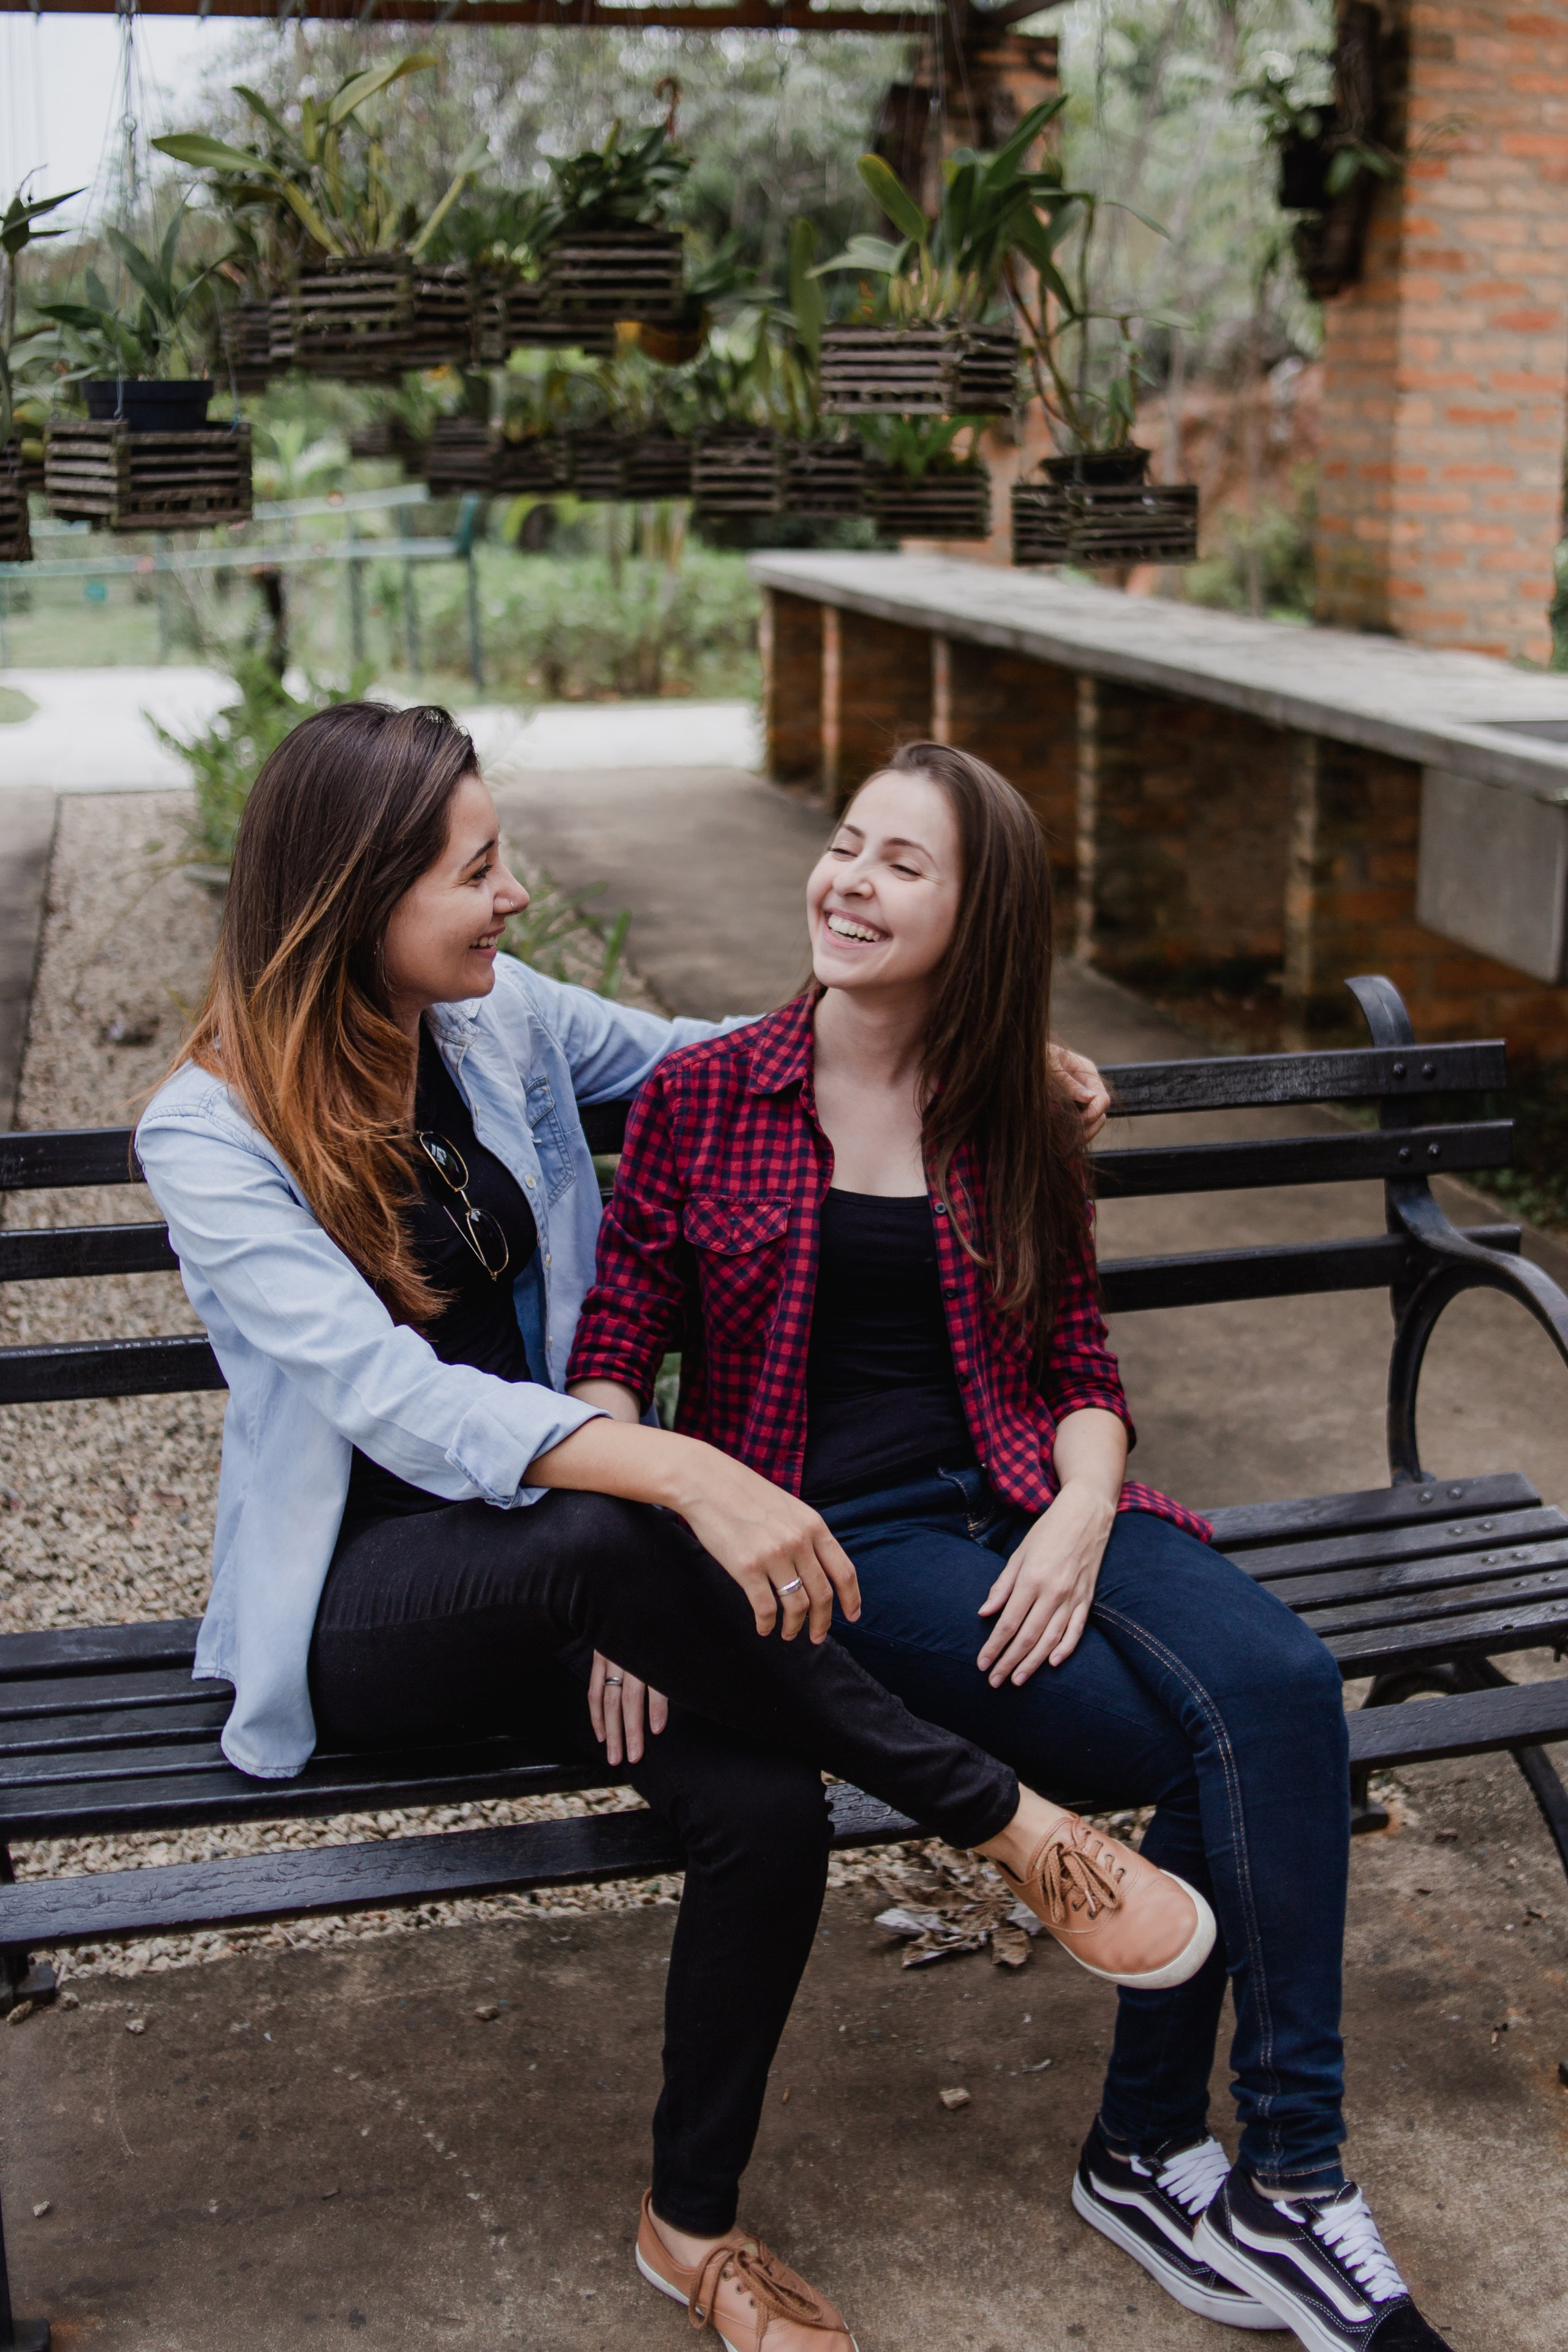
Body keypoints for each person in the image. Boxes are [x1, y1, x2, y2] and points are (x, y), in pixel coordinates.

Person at [135, 702, 1215, 2352]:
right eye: (478, 872)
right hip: (379, 1602)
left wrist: (962, 1059)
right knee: (617, 1529)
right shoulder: (208, 1130)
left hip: (596, 1576)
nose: (513, 900)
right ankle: (1005, 1823)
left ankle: (689, 2228)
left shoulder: (495, 1024)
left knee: (765, 1806)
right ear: (358, 897)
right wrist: (687, 1479)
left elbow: (728, 1060)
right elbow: (394, 1402)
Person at [567, 741, 1457, 2352]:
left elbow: (1080, 1374)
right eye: (848, 844)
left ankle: (1268, 2173)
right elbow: (613, 1348)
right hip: (832, 1555)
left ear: (983, 922)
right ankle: (1183, 2158)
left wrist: (1081, 1507)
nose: (851, 878)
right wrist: (637, 1565)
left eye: (906, 865)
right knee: (1210, 1739)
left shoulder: (1015, 1112)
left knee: (1283, 1682)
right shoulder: (707, 1100)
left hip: (1031, 1503)